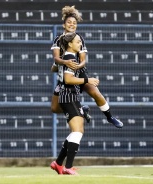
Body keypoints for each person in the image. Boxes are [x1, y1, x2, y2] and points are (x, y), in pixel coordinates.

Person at [50, 5, 123, 128]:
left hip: (78, 72)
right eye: (69, 22)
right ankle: (81, 110)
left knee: (95, 92)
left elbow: (83, 60)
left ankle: (110, 117)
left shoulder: (79, 39)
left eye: (74, 23)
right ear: (64, 25)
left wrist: (77, 67)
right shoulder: (58, 40)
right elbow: (56, 58)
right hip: (65, 75)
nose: (72, 25)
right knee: (55, 108)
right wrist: (65, 63)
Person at [50, 32, 100, 175]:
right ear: (70, 44)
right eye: (78, 42)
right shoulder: (70, 57)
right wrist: (87, 80)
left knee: (76, 131)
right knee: (78, 131)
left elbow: (54, 68)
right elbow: (68, 80)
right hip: (69, 97)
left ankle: (58, 163)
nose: (80, 44)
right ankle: (68, 167)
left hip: (68, 97)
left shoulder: (67, 58)